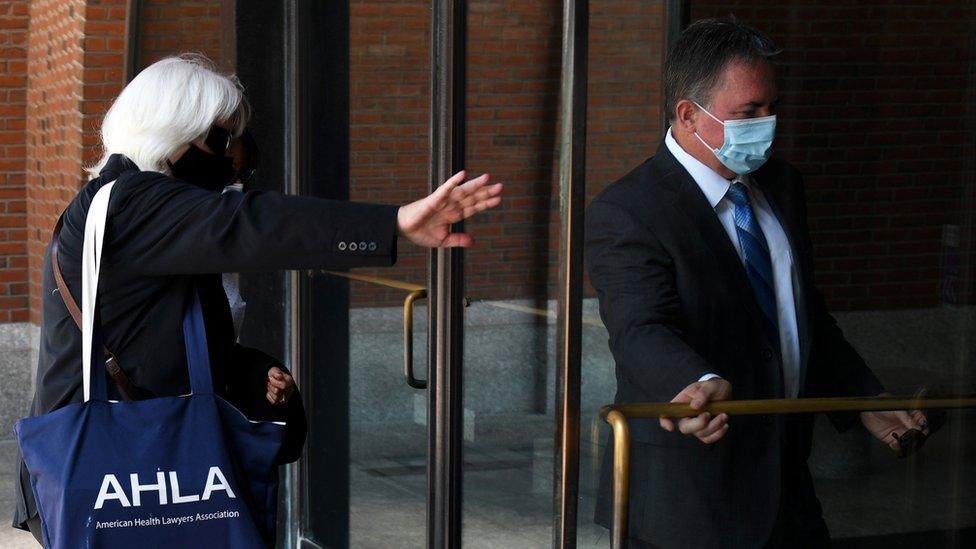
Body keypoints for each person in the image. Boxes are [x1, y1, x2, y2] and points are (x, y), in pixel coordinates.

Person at [11, 54, 503, 544]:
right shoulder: (131, 202)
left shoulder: (147, 215)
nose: (231, 158)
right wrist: (392, 223)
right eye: (220, 140)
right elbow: (249, 222)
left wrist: (253, 375)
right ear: (173, 131)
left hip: (129, 462)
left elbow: (158, 340)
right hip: (114, 469)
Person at [585, 19, 926, 548]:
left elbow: (801, 313)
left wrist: (863, 396)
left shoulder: (783, 186)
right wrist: (692, 383)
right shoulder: (629, 210)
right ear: (688, 115)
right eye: (748, 113)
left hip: (788, 485)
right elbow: (638, 329)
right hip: (688, 497)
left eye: (771, 107)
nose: (767, 125)